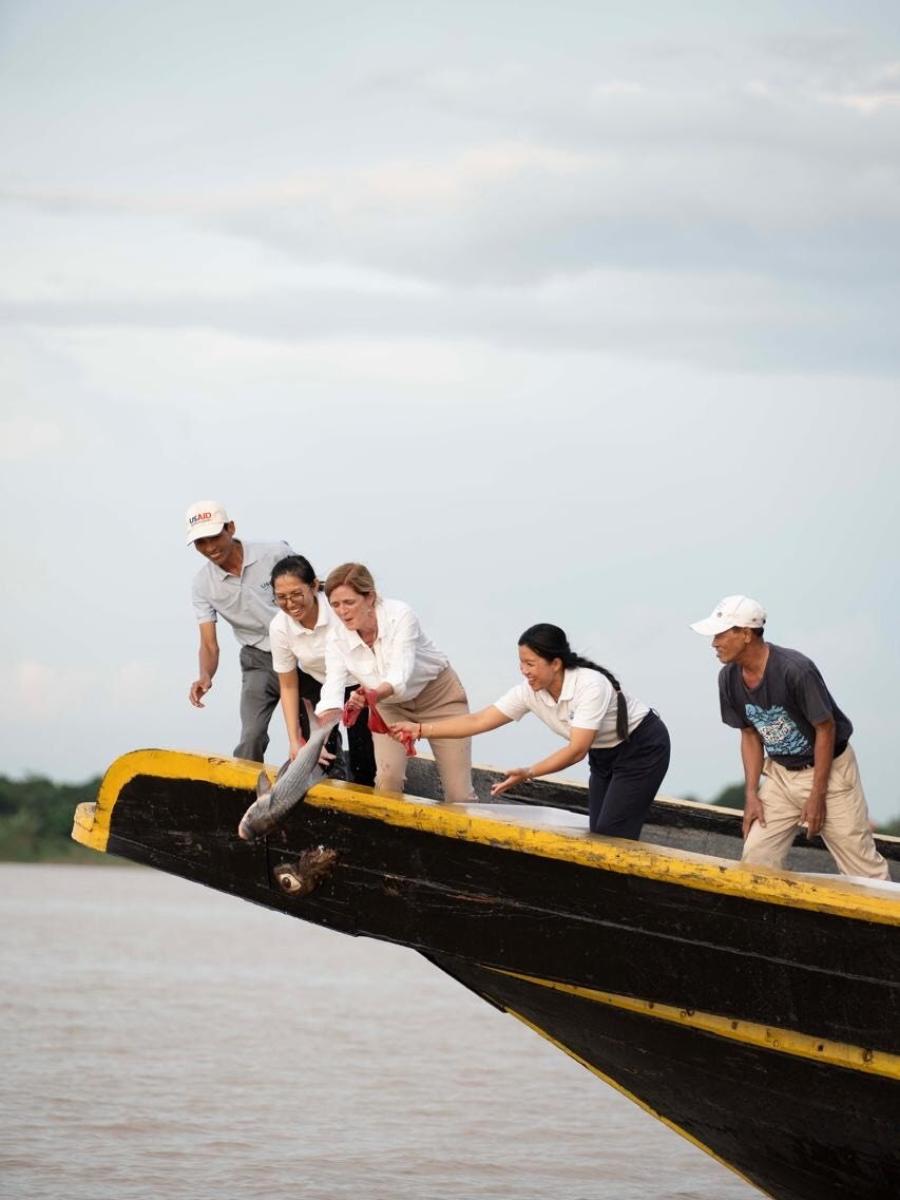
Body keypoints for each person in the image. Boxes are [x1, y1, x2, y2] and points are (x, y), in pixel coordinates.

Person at [391, 623, 671, 839]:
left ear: (556, 663)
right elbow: (478, 721)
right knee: (598, 832)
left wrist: (529, 772)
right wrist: (420, 729)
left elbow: (576, 751)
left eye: (530, 663)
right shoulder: (529, 693)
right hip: (603, 754)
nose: (523, 670)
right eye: (521, 663)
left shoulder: (590, 686)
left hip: (641, 748)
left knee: (613, 834)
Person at [690, 594, 889, 879]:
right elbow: (749, 734)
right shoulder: (728, 678)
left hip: (829, 773)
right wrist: (751, 795)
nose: (713, 643)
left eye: (720, 635)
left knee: (862, 868)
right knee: (756, 857)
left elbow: (826, 728)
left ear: (746, 634)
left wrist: (817, 796)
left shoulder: (795, 669)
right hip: (781, 775)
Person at [314, 563, 475, 803]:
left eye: (349, 603)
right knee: (387, 781)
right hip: (390, 707)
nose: (342, 612)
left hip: (438, 698)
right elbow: (332, 690)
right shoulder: (337, 638)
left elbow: (399, 674)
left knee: (458, 793)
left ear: (370, 597)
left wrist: (371, 695)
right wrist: (319, 739)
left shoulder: (400, 615)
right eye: (335, 605)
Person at [186, 500, 293, 762]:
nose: (210, 548)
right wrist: (205, 675)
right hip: (259, 658)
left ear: (230, 528)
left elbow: (311, 592)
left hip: (299, 651)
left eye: (214, 537)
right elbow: (209, 644)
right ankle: (246, 799)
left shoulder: (275, 553)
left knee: (315, 733)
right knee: (251, 737)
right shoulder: (202, 585)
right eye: (201, 542)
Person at [269, 555, 376, 785]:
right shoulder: (279, 627)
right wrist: (294, 739)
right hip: (315, 682)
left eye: (296, 594)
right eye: (281, 597)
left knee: (364, 758)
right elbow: (287, 684)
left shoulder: (338, 609)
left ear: (314, 586)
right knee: (316, 752)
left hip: (359, 682)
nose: (290, 603)